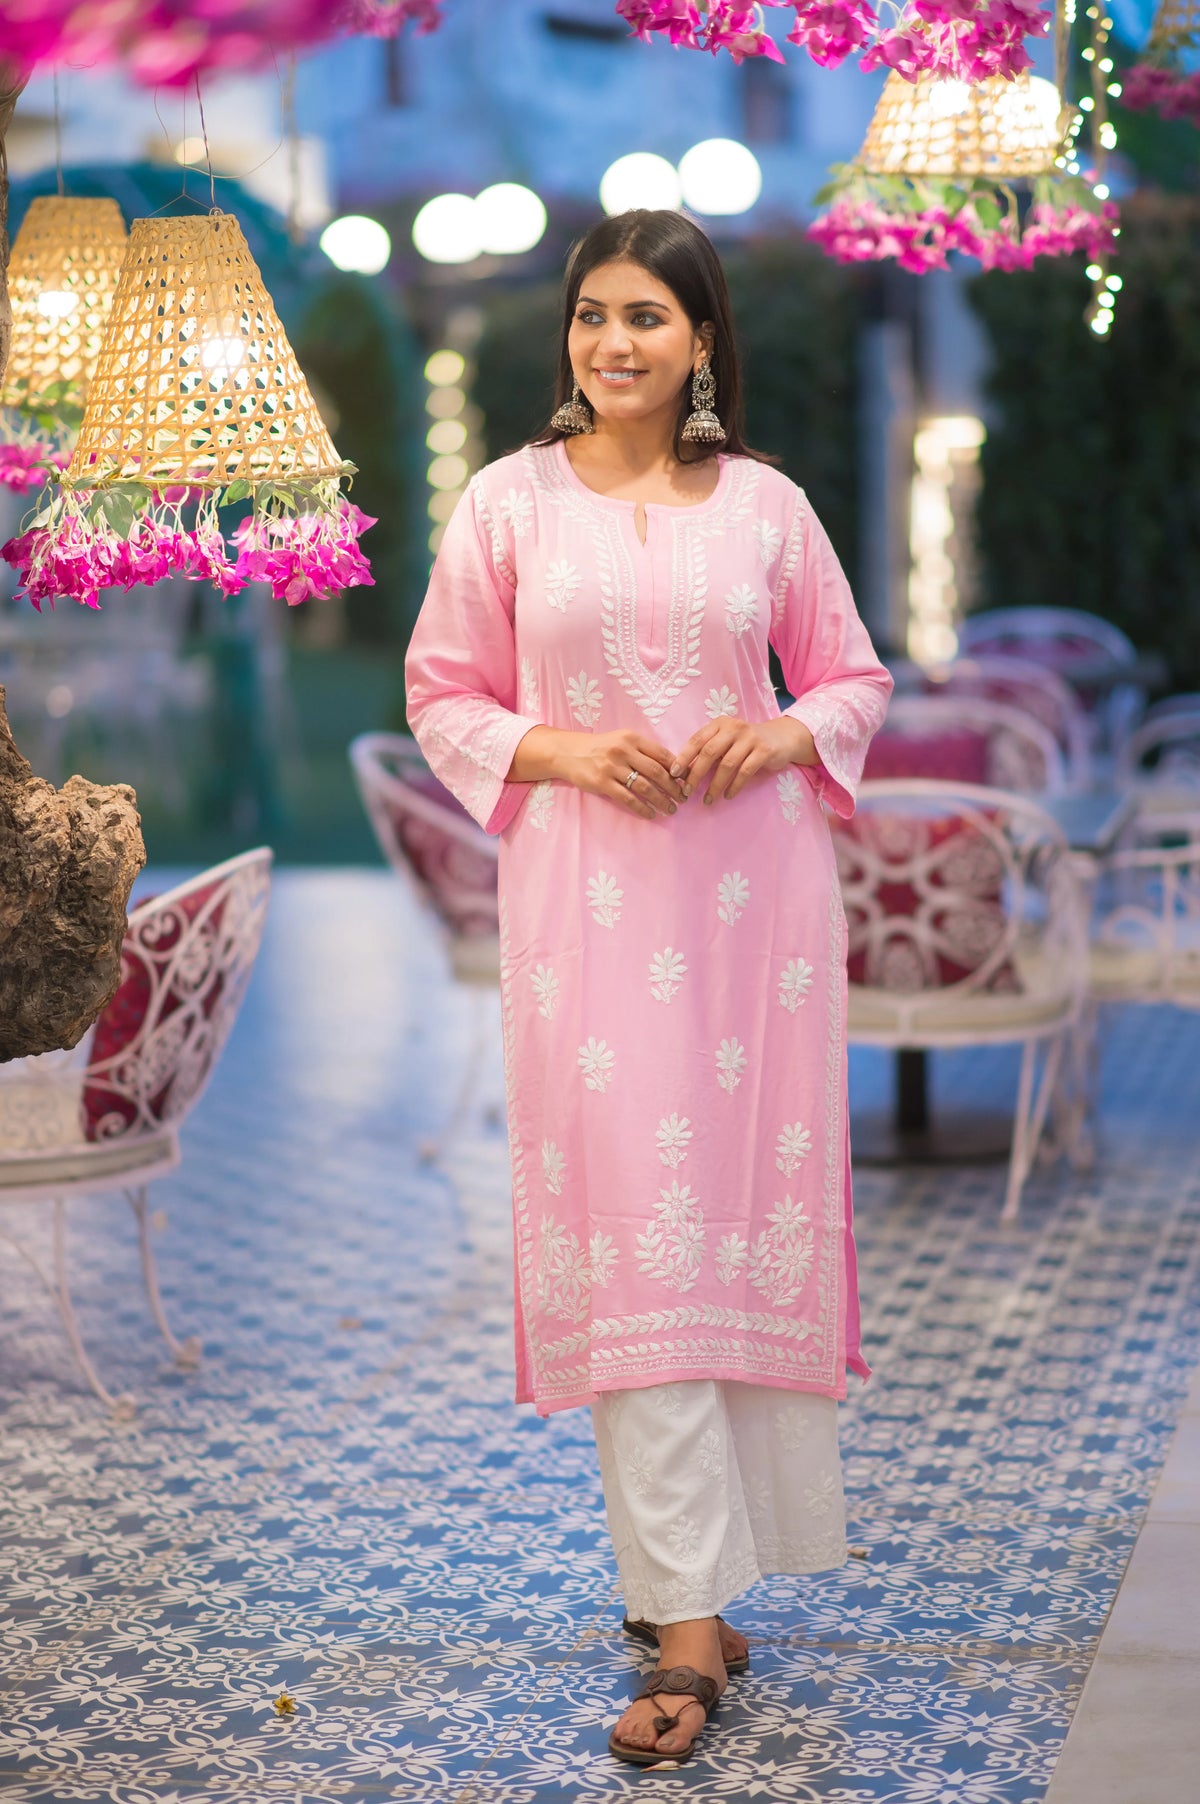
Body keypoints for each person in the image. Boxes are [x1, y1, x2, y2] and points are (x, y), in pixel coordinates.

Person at [405, 208, 892, 1769]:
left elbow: (853, 676)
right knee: (637, 1237)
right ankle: (686, 1614)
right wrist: (555, 746)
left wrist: (785, 732)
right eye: (594, 315)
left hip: (752, 914)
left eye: (649, 320)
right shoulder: (507, 505)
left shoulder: (763, 505)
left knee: (731, 1220)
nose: (615, 343)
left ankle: (695, 1601)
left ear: (700, 344)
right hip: (592, 913)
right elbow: (442, 690)